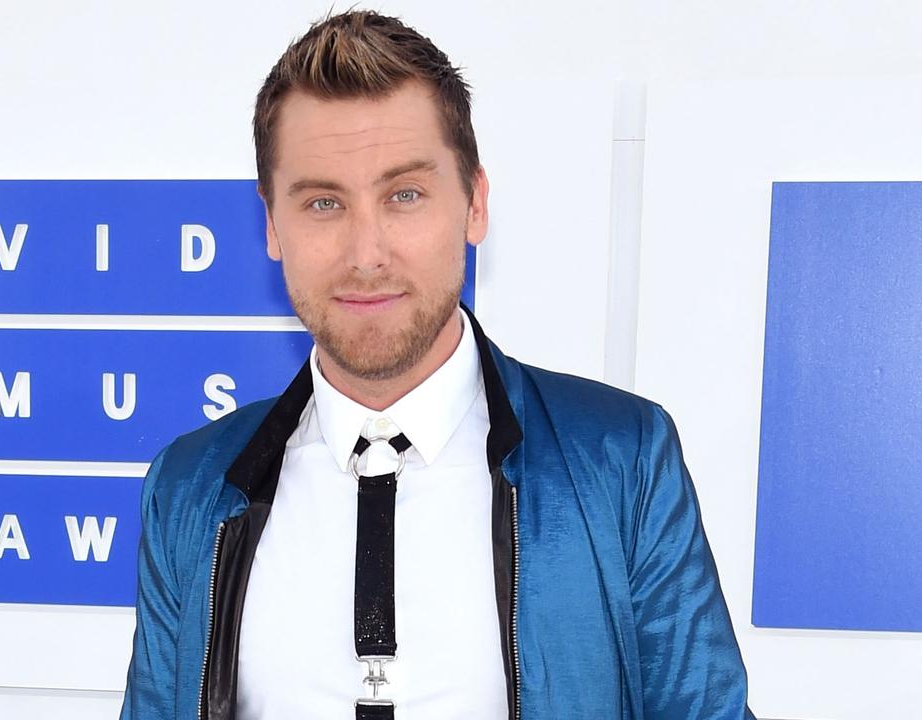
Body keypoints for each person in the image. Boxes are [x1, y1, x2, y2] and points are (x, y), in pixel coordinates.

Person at [120, 10, 752, 720]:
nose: (366, 252)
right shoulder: (190, 486)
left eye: (404, 195)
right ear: (272, 226)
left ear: (475, 203)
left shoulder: (622, 460)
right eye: (323, 202)